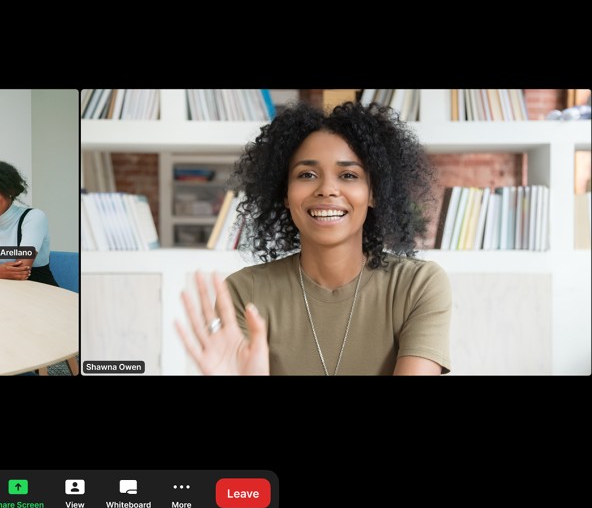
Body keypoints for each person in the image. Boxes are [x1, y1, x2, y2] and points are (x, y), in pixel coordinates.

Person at [176, 102, 452, 376]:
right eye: (307, 175)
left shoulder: (418, 286)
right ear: (285, 193)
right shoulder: (244, 293)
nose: (327, 190)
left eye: (348, 175)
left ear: (373, 193)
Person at [0, 160, 75, 376]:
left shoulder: (33, 217)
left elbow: (22, 270)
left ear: (9, 190)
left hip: (40, 297)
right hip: (5, 294)